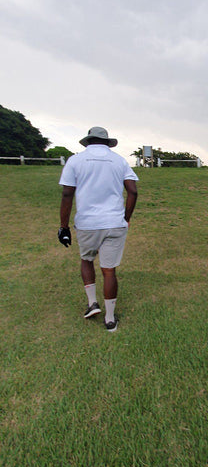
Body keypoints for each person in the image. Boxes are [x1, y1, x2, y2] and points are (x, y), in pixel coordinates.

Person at [58, 126, 138, 331]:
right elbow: (133, 191)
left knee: (86, 260)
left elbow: (67, 194)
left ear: (88, 141)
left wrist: (63, 226)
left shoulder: (75, 161)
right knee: (109, 270)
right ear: (107, 142)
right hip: (114, 222)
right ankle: (110, 319)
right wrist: (125, 217)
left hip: (87, 223)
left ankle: (92, 303)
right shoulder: (119, 161)